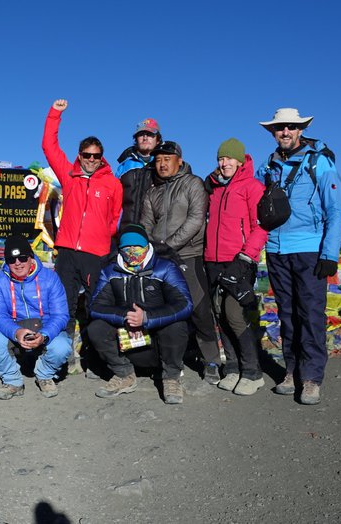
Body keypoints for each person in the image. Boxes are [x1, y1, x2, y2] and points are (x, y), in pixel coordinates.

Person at [256, 108, 341, 405]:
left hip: (309, 250)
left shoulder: (320, 162)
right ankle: (291, 370)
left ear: (301, 130)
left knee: (311, 315)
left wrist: (329, 253)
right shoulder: (269, 165)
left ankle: (312, 378)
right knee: (287, 315)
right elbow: (250, 191)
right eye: (279, 128)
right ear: (273, 132)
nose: (285, 132)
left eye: (291, 127)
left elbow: (334, 209)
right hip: (277, 250)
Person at [42, 99, 124, 374]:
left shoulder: (112, 184)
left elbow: (115, 219)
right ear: (79, 155)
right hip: (67, 252)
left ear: (102, 157)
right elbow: (49, 147)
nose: (90, 160)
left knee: (94, 306)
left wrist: (102, 236)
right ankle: (64, 358)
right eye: (86, 155)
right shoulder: (70, 177)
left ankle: (94, 356)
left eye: (95, 156)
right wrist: (56, 114)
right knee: (63, 306)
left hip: (96, 255)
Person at [139, 141, 222, 383]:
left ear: (179, 159)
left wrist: (168, 246)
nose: (162, 164)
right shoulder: (153, 191)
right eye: (157, 160)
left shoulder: (193, 184)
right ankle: (169, 361)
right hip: (160, 259)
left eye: (166, 159)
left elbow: (196, 220)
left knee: (199, 309)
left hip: (188, 256)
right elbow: (146, 224)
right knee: (162, 310)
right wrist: (153, 249)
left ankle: (212, 361)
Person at [87, 225, 193, 404]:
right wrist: (126, 317)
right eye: (126, 249)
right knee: (96, 328)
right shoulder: (110, 271)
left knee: (177, 325)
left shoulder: (165, 268)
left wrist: (146, 318)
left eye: (137, 247)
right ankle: (124, 374)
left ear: (146, 246)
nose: (132, 253)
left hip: (159, 339)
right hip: (127, 338)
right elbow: (95, 306)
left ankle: (171, 378)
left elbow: (184, 304)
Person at [204, 138, 268, 395]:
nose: (225, 163)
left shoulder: (252, 187)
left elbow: (261, 225)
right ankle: (232, 368)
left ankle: (252, 372)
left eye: (229, 158)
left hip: (239, 260)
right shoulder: (216, 189)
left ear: (240, 161)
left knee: (234, 313)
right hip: (213, 259)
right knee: (219, 313)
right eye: (221, 159)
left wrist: (247, 256)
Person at [0, 235, 71, 399]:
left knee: (62, 346)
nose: (18, 263)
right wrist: (15, 331)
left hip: (44, 327)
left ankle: (44, 375)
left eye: (22, 258)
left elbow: (61, 315)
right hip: (15, 327)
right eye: (12, 260)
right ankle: (13, 381)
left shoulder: (50, 278)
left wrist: (45, 335)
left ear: (31, 257)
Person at [117, 119, 162, 232]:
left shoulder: (163, 165)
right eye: (141, 134)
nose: (145, 138)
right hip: (125, 230)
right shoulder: (124, 166)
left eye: (150, 134)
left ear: (158, 140)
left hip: (154, 233)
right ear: (136, 139)